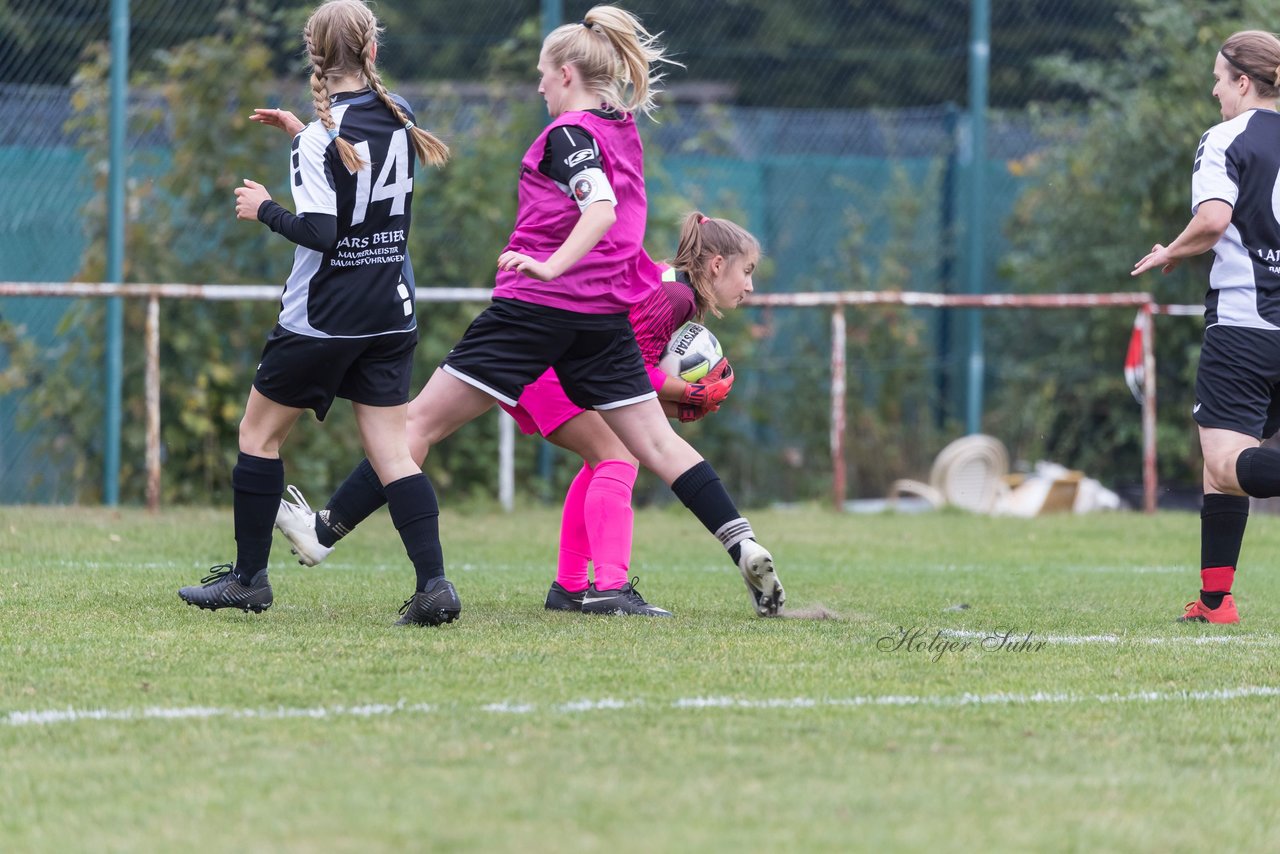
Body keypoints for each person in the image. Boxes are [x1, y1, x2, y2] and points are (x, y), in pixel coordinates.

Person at [276, 5, 785, 621]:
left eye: (544, 73)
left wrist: (549, 265)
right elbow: (615, 216)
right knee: (657, 443)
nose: (539, 85)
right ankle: (742, 540)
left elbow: (596, 210)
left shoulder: (570, 136)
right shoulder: (624, 129)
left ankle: (321, 533)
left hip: (536, 310)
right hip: (602, 319)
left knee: (416, 426)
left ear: (567, 73)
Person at [278, 212, 760, 617]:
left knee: (421, 430)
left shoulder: (667, 285)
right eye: (748, 271)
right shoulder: (676, 297)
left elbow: (624, 373)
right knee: (618, 455)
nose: (751, 286)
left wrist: (680, 396)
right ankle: (608, 589)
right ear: (717, 265)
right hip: (546, 360)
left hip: (540, 351)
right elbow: (624, 370)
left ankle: (327, 528)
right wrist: (685, 391)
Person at [177, 0, 457, 626]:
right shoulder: (398, 112)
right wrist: (304, 134)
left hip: (327, 317)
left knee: (258, 435)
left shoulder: (320, 137)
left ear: (314, 58)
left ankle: (249, 581)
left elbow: (324, 231)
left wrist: (265, 207)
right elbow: (351, 167)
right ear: (373, 53)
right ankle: (435, 584)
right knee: (393, 453)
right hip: (390, 309)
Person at [1132, 29, 1280, 624]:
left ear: (1244, 82)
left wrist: (1172, 249)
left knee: (1225, 463)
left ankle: (1216, 599)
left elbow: (1214, 220)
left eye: (1219, 80)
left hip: (1246, 325)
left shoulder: (1226, 139)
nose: (1215, 91)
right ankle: (1216, 600)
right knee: (1221, 462)